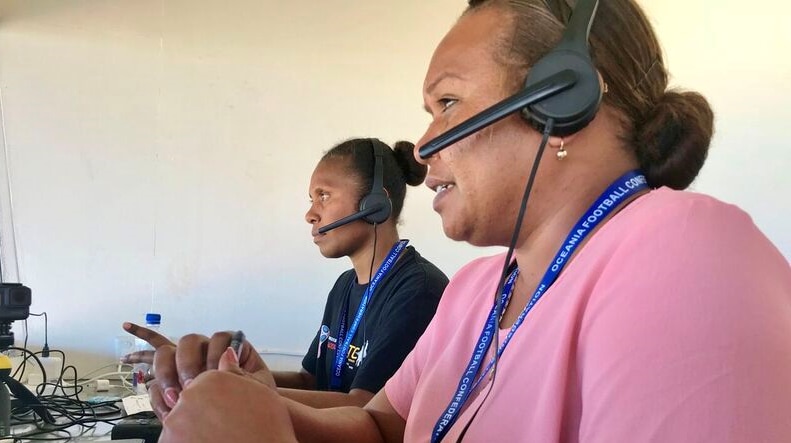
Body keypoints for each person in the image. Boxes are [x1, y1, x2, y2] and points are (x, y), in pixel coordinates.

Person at [152, 1, 791, 442]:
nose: (424, 147)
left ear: (563, 99)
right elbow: (382, 428)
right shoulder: (479, 289)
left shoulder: (684, 255)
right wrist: (257, 406)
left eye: (448, 103)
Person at [123, 137, 448, 411]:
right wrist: (211, 371)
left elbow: (361, 408)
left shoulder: (417, 291)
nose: (310, 213)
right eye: (311, 199)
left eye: (324, 195)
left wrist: (229, 392)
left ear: (376, 204)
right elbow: (311, 381)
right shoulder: (345, 286)